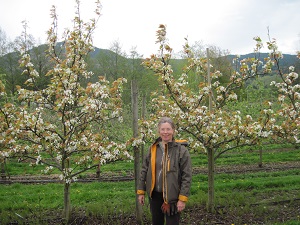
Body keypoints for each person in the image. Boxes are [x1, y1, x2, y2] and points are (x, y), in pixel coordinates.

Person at [137, 117, 192, 225]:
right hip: (155, 196)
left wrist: (182, 199)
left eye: (168, 129)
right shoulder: (153, 149)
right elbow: (144, 170)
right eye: (163, 129)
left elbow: (187, 176)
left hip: (173, 198)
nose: (165, 132)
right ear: (159, 131)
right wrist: (141, 191)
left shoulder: (181, 150)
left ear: (173, 130)